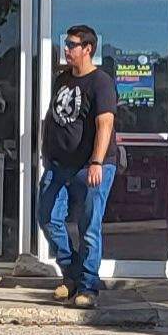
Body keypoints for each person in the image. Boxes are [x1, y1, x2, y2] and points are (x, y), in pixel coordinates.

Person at [38, 25, 119, 310]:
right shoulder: (62, 79)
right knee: (47, 217)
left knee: (89, 227)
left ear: (88, 48)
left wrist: (96, 161)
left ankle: (88, 286)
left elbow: (104, 123)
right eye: (66, 43)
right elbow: (53, 118)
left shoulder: (101, 82)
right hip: (59, 165)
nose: (67, 49)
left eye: (72, 44)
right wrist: (45, 153)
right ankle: (71, 273)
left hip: (92, 166)